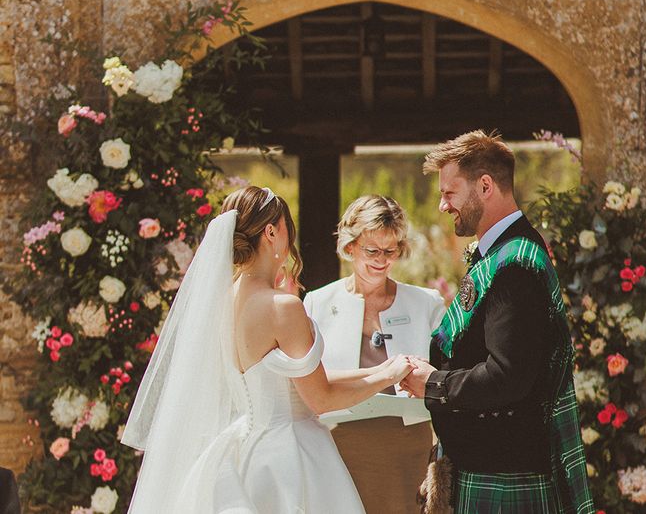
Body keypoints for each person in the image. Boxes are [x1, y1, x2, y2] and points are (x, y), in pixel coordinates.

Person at [121, 186, 412, 514]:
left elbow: (294, 379)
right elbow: (320, 399)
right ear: (272, 232)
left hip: (245, 449)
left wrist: (380, 370)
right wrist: (386, 375)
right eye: (288, 229)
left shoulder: (224, 300)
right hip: (290, 455)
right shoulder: (282, 307)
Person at [400, 131, 594, 514]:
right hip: (490, 465)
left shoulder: (514, 265)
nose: (442, 205)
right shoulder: (503, 254)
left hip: (506, 475)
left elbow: (508, 376)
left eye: (449, 193)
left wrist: (434, 384)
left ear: (485, 186)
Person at [304, 195, 446, 514]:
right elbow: (309, 383)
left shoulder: (426, 303)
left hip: (410, 449)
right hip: (339, 448)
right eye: (372, 250)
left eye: (390, 250)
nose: (382, 259)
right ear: (350, 246)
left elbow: (447, 376)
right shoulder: (317, 303)